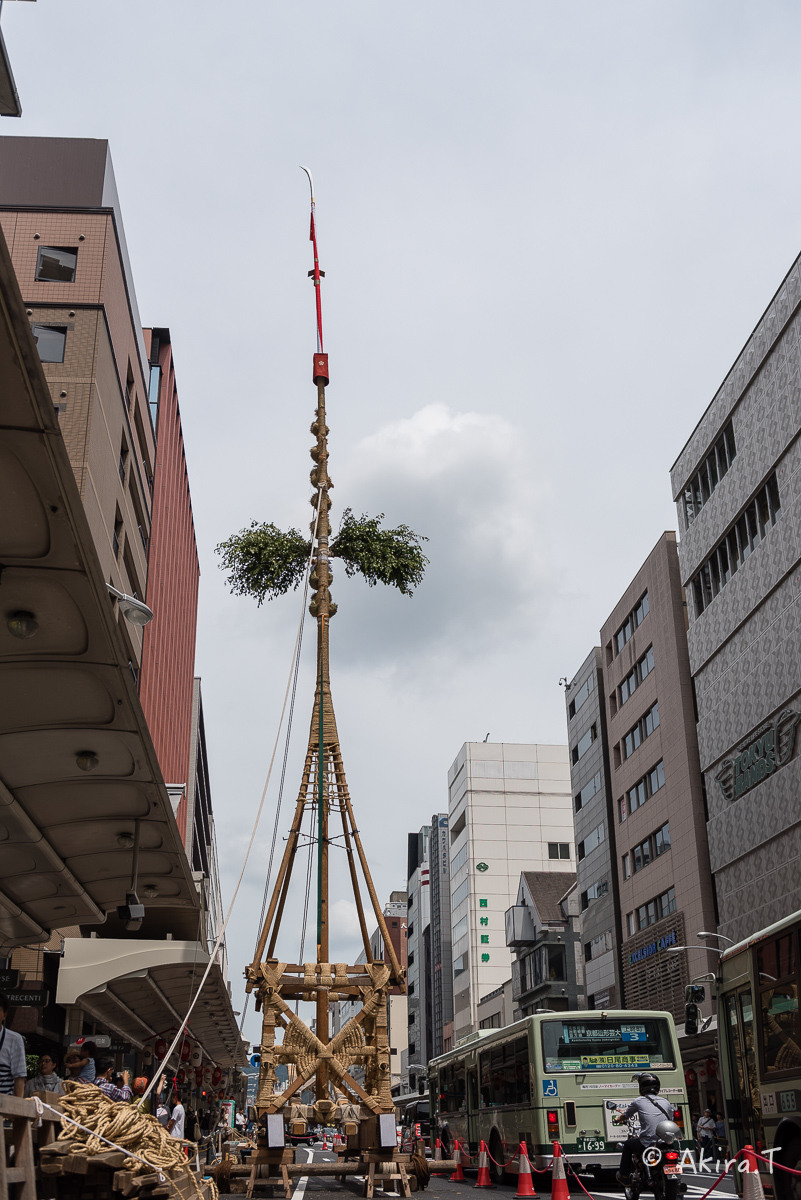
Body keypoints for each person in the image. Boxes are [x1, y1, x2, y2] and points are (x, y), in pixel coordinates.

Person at [613, 1072, 676, 1184]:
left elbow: (626, 1115)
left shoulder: (639, 1101)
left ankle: (624, 1175)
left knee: (628, 1144)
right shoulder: (665, 1102)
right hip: (666, 1142)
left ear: (641, 1087)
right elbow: (671, 1119)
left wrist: (618, 1119)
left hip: (648, 1143)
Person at [0, 995, 26, 1098]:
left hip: (4, 1102)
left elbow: (19, 1077)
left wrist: (18, 1107)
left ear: (4, 1015)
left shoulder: (14, 1039)